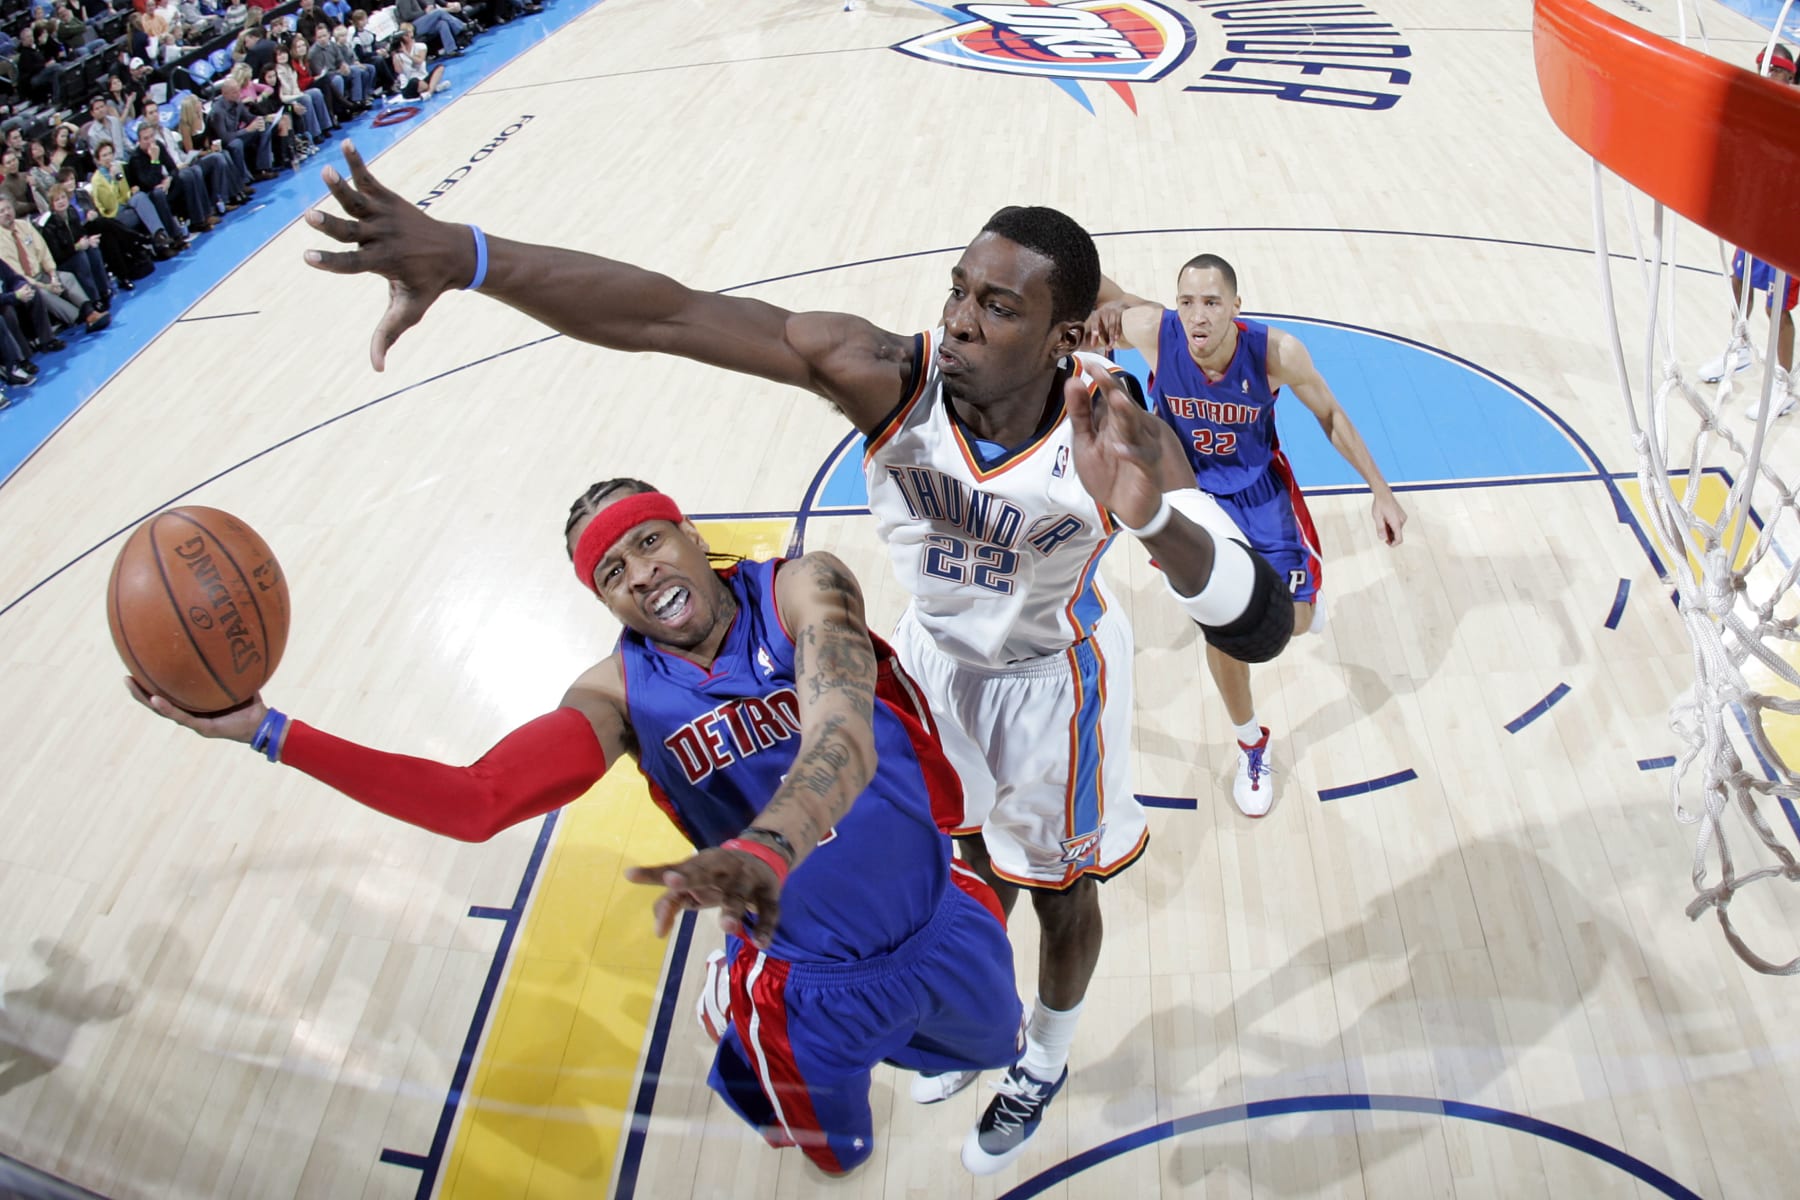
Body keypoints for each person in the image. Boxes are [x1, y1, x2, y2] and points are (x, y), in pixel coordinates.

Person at [301, 145, 1294, 1173]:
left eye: (998, 309)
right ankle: (962, 1016)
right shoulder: (888, 375)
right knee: (951, 859)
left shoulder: (1117, 432)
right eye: (957, 291)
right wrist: (468, 255)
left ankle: (1043, 1058)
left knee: (1057, 888)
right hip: (931, 663)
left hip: (1058, 683)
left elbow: (1256, 625)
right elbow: (667, 315)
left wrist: (1153, 522)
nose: (957, 319)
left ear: (1062, 335)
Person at [127, 480, 1028, 1179]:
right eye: (610, 571)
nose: (638, 572)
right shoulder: (617, 699)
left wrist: (766, 843)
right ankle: (772, 1039)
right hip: (808, 986)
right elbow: (478, 801)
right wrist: (271, 733)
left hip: (940, 919)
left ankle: (930, 1051)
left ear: (688, 535)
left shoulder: (802, 585)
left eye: (647, 541)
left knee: (993, 1045)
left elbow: (841, 729)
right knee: (832, 1149)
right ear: (604, 599)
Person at [1088, 255, 1404, 815]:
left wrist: (1380, 490)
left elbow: (1329, 413)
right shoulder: (1154, 332)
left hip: (1261, 496)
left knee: (1289, 625)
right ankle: (1250, 742)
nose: (1197, 316)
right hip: (1191, 502)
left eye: (1212, 303)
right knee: (1224, 628)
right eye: (1186, 302)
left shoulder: (1275, 353)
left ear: (1237, 306)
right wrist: (1094, 294)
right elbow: (1100, 291)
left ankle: (1307, 609)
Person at [1697, 47, 1799, 418]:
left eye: (1774, 69)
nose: (1766, 73)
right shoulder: (1760, 107)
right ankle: (1739, 349)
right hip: (1759, 215)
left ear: (1789, 75)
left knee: (1777, 306)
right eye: (1762, 67)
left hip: (1791, 222)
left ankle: (1785, 386)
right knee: (1738, 280)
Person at [0, 201, 108, 333]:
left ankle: (89, 311)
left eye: (8, 208)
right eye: (1, 211)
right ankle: (81, 317)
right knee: (42, 293)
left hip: (42, 272)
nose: (7, 213)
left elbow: (43, 251)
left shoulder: (24, 226)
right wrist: (46, 286)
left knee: (67, 277)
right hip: (24, 283)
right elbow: (16, 274)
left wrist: (53, 275)